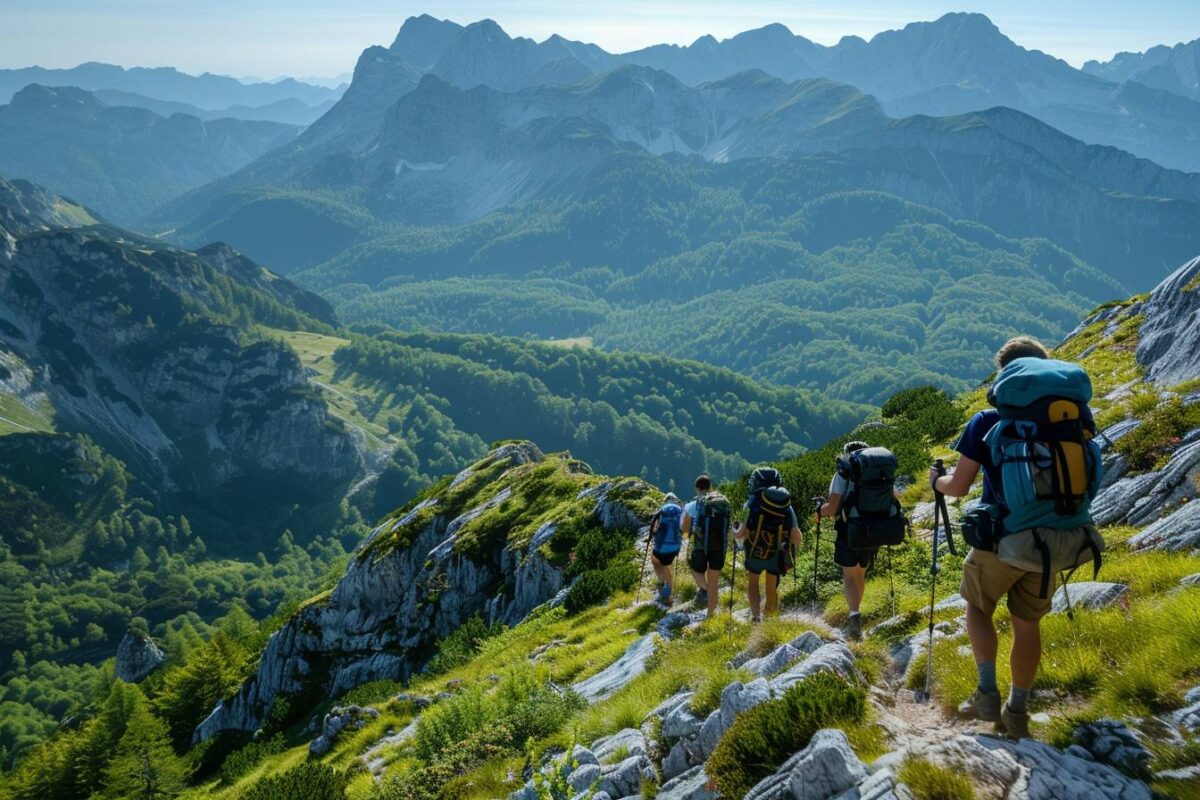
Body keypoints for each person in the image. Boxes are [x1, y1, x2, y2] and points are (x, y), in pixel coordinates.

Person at [930, 335, 1056, 740]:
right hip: (1052, 543)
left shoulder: (988, 421)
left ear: (1005, 374)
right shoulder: (1068, 420)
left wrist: (937, 481)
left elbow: (959, 487)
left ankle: (986, 692)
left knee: (978, 608)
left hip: (1000, 540)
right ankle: (1017, 710)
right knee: (1028, 626)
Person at [818, 441, 873, 640]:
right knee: (861, 572)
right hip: (873, 528)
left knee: (849, 574)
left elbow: (832, 507)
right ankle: (857, 611)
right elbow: (894, 496)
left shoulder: (844, 471)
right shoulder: (875, 470)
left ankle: (854, 616)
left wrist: (818, 512)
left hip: (849, 527)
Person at [733, 468, 802, 621]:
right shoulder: (787, 506)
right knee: (771, 589)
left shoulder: (751, 503)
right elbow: (796, 537)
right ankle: (769, 623)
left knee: (753, 583)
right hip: (776, 554)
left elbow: (741, 533)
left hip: (754, 551)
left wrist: (734, 531)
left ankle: (756, 617)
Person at [682, 475, 726, 618]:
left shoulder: (693, 505)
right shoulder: (721, 502)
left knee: (695, 567)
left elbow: (685, 528)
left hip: (700, 545)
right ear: (710, 487)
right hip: (719, 546)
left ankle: (705, 590)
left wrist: (688, 537)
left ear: (697, 488)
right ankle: (712, 614)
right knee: (714, 580)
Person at [649, 493, 683, 606]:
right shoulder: (680, 512)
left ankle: (668, 597)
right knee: (662, 563)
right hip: (675, 545)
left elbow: (654, 527)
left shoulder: (662, 511)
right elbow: (686, 527)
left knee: (658, 562)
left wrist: (652, 535)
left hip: (662, 545)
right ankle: (664, 587)